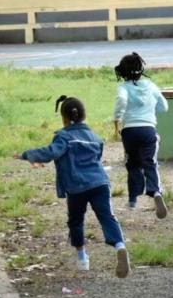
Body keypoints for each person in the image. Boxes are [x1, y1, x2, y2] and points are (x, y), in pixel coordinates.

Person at [14, 96, 131, 278]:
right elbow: (97, 158)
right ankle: (119, 245)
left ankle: (82, 258)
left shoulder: (63, 137)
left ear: (64, 118)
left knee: (76, 220)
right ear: (84, 116)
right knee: (107, 216)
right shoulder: (95, 137)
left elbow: (50, 152)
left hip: (77, 187)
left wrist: (26, 155)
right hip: (100, 183)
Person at [113, 52, 169, 218]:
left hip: (129, 131)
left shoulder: (123, 87)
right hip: (148, 130)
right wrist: (151, 109)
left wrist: (117, 118)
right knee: (150, 162)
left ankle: (133, 199)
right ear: (141, 69)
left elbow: (122, 100)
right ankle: (155, 191)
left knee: (132, 163)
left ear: (122, 71)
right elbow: (164, 106)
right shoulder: (151, 86)